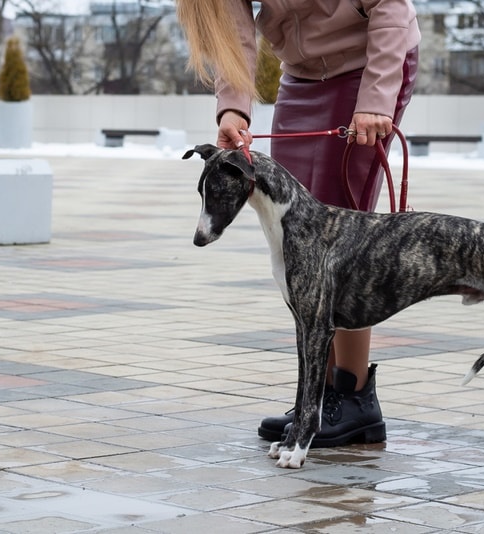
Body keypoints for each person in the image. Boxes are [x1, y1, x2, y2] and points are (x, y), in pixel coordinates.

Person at [177, 0, 420, 447]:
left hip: (369, 69)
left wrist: (376, 100)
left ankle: (354, 396)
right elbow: (234, 36)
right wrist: (234, 109)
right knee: (300, 238)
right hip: (302, 79)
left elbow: (391, 6)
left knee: (341, 243)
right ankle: (319, 398)